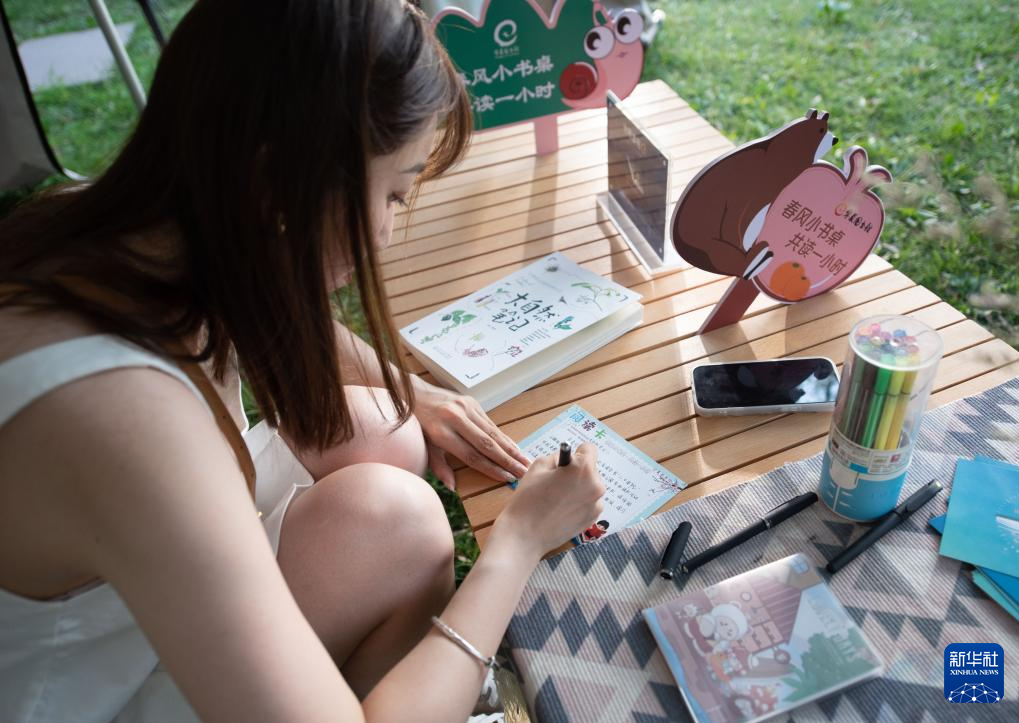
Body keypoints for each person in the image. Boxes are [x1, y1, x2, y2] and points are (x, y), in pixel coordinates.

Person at [0, 1, 605, 721]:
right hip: (86, 696)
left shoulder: (130, 232)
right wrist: (519, 543)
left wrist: (411, 390)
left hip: (127, 600)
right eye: (393, 192)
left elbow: (284, 317)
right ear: (277, 185)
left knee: (385, 424)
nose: (386, 231)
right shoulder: (126, 420)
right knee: (407, 521)